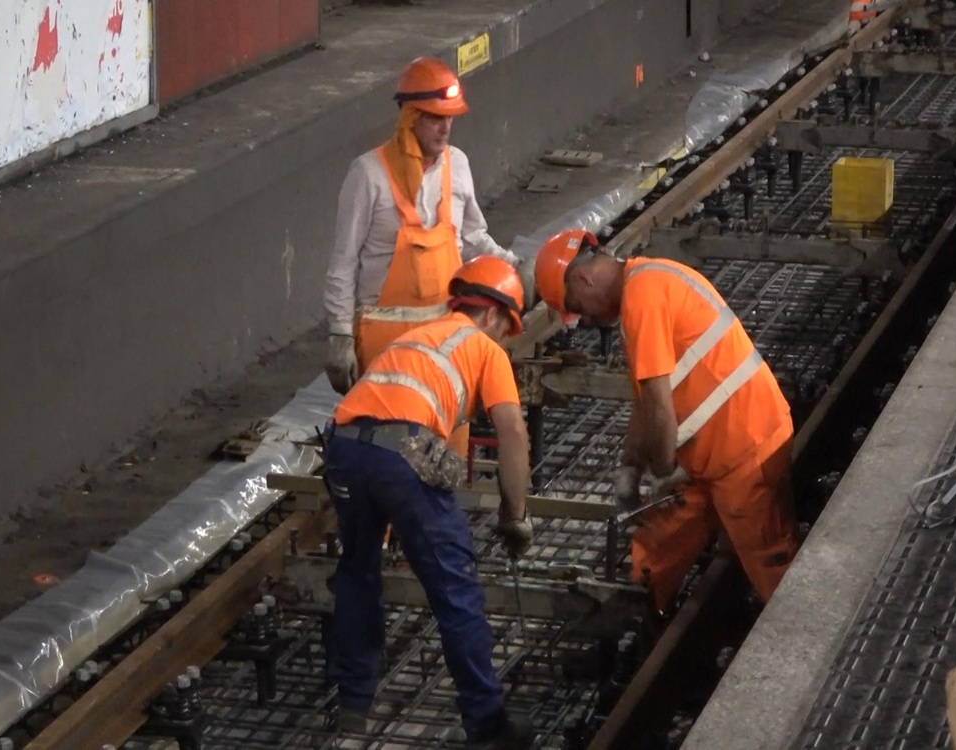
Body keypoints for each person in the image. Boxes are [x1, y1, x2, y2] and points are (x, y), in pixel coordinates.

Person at [322, 256, 535, 749]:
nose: (504, 340)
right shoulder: (484, 347)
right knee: (455, 590)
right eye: (506, 329)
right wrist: (515, 515)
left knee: (357, 572)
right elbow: (513, 435)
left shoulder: (416, 337)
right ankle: (488, 726)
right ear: (491, 314)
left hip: (344, 448)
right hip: (402, 457)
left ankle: (353, 707)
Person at [534, 229, 798, 612]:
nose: (585, 318)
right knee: (661, 539)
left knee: (769, 563)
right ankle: (638, 611)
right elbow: (647, 402)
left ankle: (794, 633)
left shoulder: (643, 297)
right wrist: (630, 467)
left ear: (583, 278)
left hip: (744, 450)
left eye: (577, 307)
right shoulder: (646, 284)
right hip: (715, 454)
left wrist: (663, 473)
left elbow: (659, 406)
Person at [323, 55, 534, 457]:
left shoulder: (458, 166)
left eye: (450, 117)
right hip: (384, 348)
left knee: (445, 460)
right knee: (387, 457)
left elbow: (472, 237)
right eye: (436, 117)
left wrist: (512, 266)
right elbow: (343, 263)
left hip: (446, 344)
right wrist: (339, 335)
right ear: (410, 117)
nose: (446, 127)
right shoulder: (368, 175)